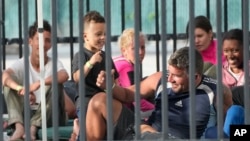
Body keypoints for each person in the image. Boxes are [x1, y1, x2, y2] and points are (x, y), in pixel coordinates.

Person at [86, 47, 232, 140]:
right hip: (143, 133)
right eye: (169, 72)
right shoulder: (160, 78)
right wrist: (109, 86)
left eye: (176, 75)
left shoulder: (217, 92)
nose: (169, 79)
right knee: (100, 100)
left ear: (195, 77)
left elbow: (229, 127)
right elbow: (126, 95)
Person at [2, 20, 74, 141]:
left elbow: (64, 75)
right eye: (38, 39)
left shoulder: (54, 63)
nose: (43, 44)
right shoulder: (22, 63)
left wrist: (39, 83)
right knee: (8, 83)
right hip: (28, 113)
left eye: (47, 40)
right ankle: (19, 126)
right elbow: (4, 76)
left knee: (54, 81)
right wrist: (21, 89)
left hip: (52, 115)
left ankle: (33, 127)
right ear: (30, 41)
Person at [70, 10, 119, 140]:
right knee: (89, 132)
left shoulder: (106, 56)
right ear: (85, 36)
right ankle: (79, 132)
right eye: (98, 34)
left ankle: (78, 130)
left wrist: (112, 80)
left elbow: (116, 82)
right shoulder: (81, 55)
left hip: (104, 100)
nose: (103, 37)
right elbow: (76, 77)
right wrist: (90, 63)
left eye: (104, 34)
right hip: (86, 101)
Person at [113, 28, 154, 118]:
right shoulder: (126, 67)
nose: (140, 52)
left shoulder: (119, 61)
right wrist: (156, 108)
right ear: (124, 50)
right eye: (134, 48)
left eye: (142, 47)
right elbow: (135, 99)